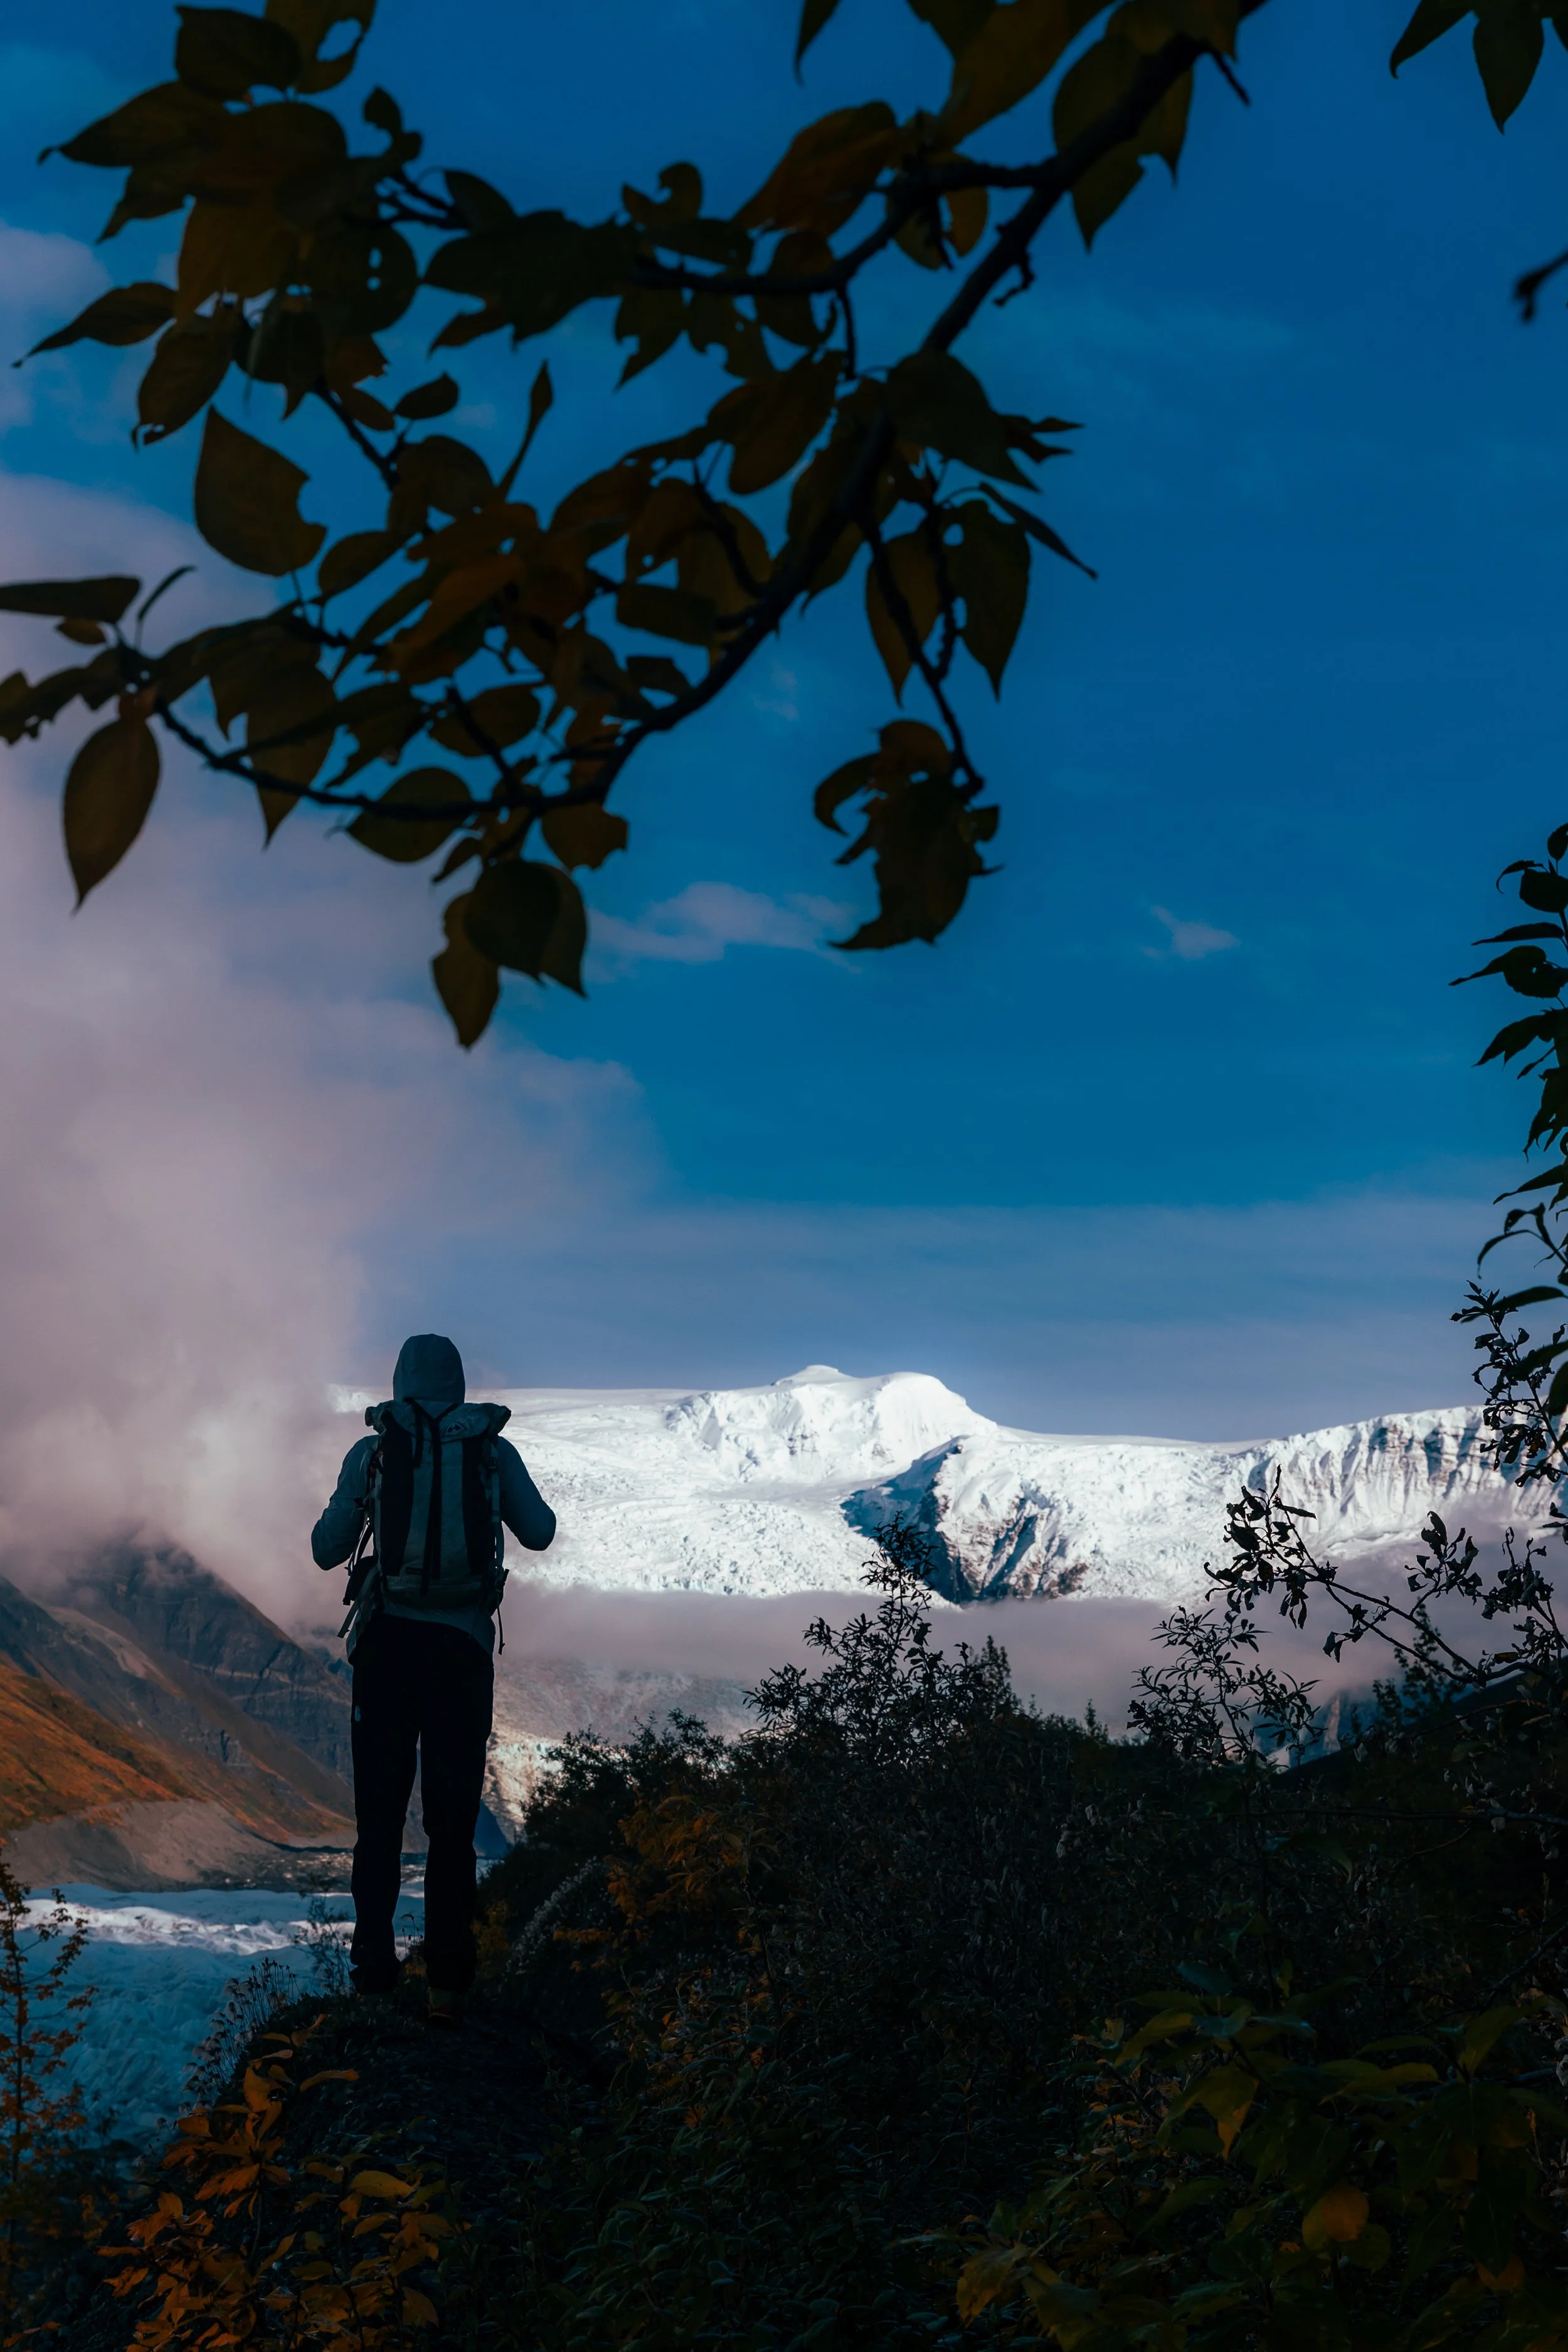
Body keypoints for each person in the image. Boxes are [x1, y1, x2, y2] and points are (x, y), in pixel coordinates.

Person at [312, 1333, 555, 2024]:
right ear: (456, 1384)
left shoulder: (375, 1450)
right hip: (461, 1652)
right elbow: (539, 1532)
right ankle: (448, 1986)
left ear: (397, 1383)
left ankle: (373, 1976)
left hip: (388, 1650)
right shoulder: (490, 1450)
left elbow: (326, 1550)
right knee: (451, 1826)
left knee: (379, 1820)